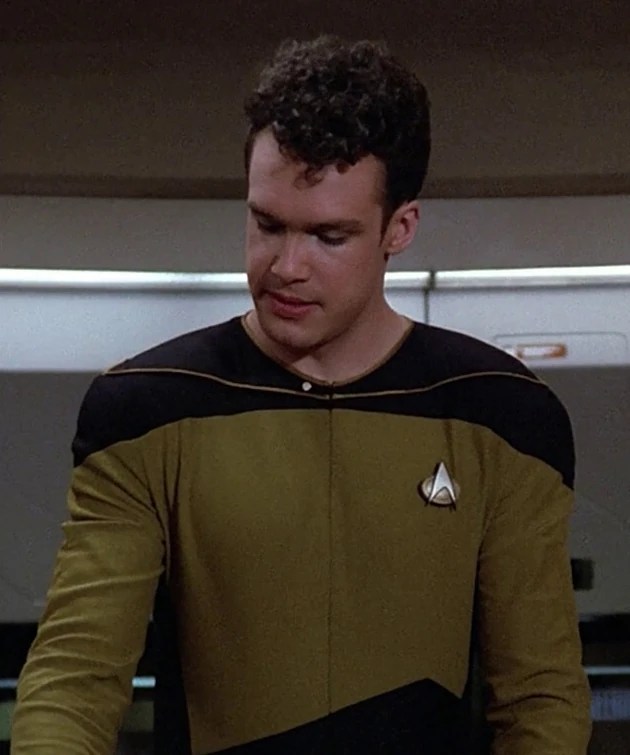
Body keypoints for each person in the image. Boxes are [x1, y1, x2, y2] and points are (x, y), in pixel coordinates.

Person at [12, 36, 590, 754]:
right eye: (267, 224)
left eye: (328, 236)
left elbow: (540, 700)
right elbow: (74, 679)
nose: (287, 266)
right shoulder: (148, 409)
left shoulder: (499, 414)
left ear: (400, 228)